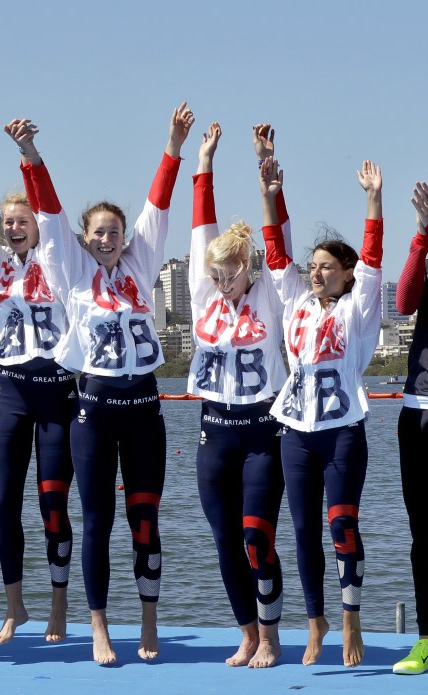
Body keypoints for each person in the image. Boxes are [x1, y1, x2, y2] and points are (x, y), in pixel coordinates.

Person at [27, 103, 194, 664]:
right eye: (98, 232)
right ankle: (98, 625)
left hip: (144, 405)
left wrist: (173, 146)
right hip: (93, 408)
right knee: (96, 519)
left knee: (143, 517)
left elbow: (159, 207)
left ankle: (148, 621)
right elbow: (49, 216)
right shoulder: (74, 273)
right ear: (86, 237)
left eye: (114, 232)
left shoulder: (142, 265)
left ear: (124, 236)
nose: (107, 239)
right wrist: (31, 156)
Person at [258, 156, 383, 668]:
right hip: (296, 432)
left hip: (343, 433)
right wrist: (270, 193)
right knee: (303, 531)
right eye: (313, 266)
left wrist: (374, 199)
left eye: (326, 266)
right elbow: (274, 250)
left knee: (341, 526)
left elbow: (374, 259)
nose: (315, 272)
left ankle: (350, 617)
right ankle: (316, 623)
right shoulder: (296, 302)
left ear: (346, 273)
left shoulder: (359, 308)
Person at [188, 123, 288, 667]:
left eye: (230, 275)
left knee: (256, 537)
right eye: (217, 276)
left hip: (260, 431)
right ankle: (247, 632)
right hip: (214, 429)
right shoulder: (206, 293)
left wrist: (266, 171)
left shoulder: (268, 295)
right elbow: (202, 226)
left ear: (245, 270)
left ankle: (270, 635)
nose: (223, 284)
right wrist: (203, 161)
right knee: (226, 540)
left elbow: (280, 249)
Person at [0, 119, 75, 645]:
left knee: (53, 503)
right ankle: (15, 605)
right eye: (8, 222)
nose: (16, 228)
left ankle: (60, 605)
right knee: (3, 502)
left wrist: (28, 153)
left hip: (57, 390)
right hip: (11, 389)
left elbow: (53, 207)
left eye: (23, 220)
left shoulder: (59, 259)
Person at [391, 180, 428, 675]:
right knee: (424, 538)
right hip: (418, 410)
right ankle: (425, 639)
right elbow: (402, 301)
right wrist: (421, 235)